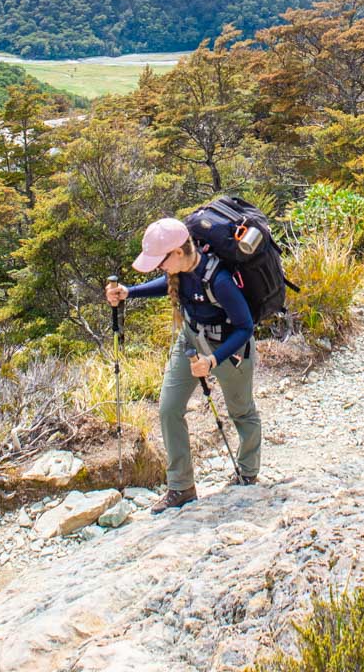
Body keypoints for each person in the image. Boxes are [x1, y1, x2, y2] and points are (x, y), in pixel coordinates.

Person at [105, 216, 260, 511]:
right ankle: (181, 487)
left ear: (178, 252)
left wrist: (212, 360)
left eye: (160, 260)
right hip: (190, 339)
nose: (159, 266)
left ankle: (248, 472)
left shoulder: (220, 280)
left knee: (241, 412)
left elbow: (245, 327)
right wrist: (129, 292)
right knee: (168, 408)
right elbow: (168, 282)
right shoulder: (180, 269)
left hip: (229, 348)